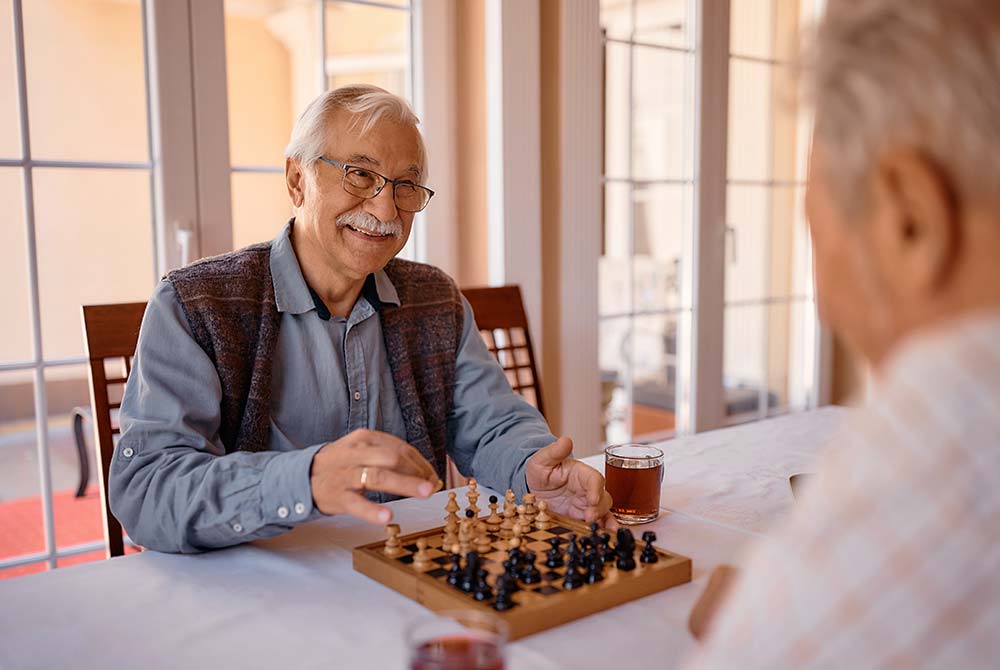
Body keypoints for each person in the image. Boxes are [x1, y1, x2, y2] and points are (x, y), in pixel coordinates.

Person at [111, 84, 613, 553]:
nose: (386, 207)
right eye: (361, 174)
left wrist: (533, 470)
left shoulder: (434, 299)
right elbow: (147, 490)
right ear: (296, 180)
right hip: (256, 590)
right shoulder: (197, 303)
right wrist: (305, 480)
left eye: (406, 185)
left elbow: (491, 426)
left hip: (405, 575)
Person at [686, 0, 1000, 666]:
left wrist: (764, 617)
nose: (825, 306)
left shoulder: (949, 441)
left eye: (817, 229)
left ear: (911, 218)